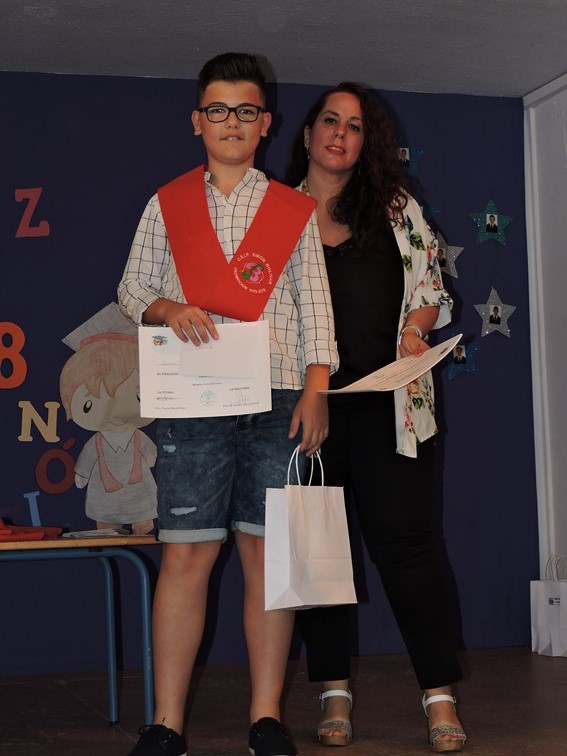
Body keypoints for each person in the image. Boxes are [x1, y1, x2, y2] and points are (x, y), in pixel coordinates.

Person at [118, 52, 338, 756]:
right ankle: (167, 723)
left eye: (246, 110)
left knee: (267, 558)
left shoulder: (293, 211)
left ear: (265, 123)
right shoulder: (167, 203)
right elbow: (130, 288)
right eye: (218, 110)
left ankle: (265, 718)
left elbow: (315, 307)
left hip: (280, 400)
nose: (231, 122)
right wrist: (166, 307)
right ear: (197, 121)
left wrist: (317, 390)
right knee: (186, 557)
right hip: (195, 400)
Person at [286, 82, 466, 753]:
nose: (340, 133)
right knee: (319, 552)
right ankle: (333, 690)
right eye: (329, 120)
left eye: (354, 125)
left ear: (366, 143)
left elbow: (429, 287)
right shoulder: (274, 214)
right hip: (307, 411)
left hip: (392, 405)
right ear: (307, 134)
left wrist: (416, 330)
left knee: (410, 551)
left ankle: (439, 696)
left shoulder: (395, 207)